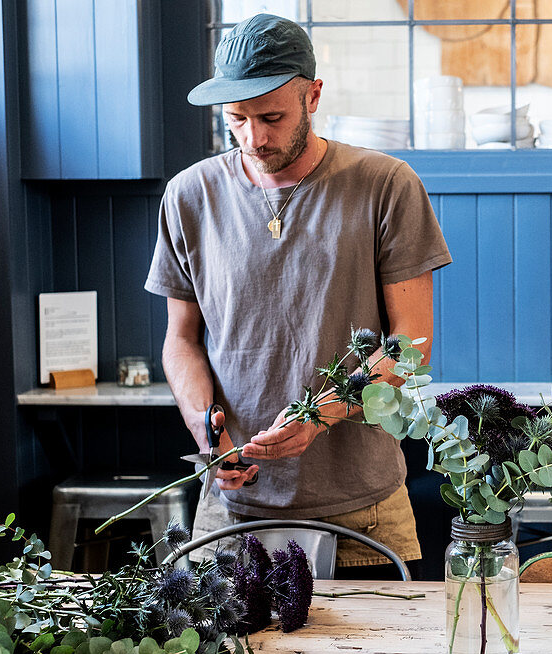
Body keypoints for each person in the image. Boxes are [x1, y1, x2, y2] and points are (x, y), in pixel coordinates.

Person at [144, 14, 451, 577]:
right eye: (236, 120)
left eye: (272, 117)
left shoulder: (385, 185)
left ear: (313, 96)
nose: (254, 138)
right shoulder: (189, 195)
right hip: (232, 511)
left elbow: (412, 345)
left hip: (365, 512)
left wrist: (321, 414)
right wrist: (203, 426)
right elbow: (180, 339)